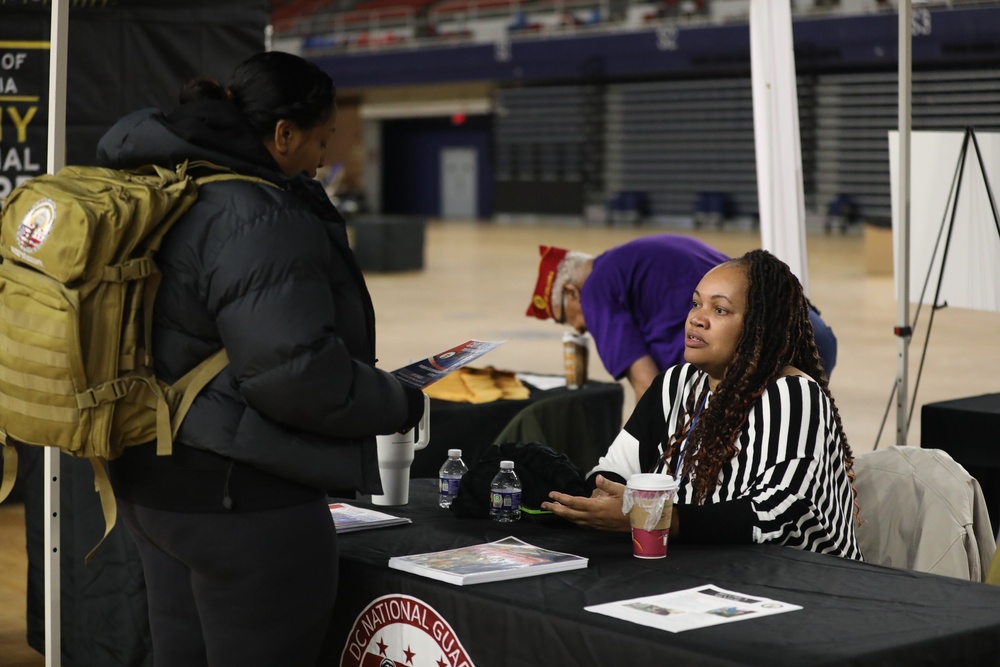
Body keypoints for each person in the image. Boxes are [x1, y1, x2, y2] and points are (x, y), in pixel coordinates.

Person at [99, 52, 426, 667]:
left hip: (153, 484)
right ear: (282, 133)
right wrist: (397, 399)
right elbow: (294, 376)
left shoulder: (170, 182)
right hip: (239, 501)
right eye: (321, 141)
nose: (324, 159)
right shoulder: (258, 213)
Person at [541, 249, 862, 560]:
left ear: (758, 326)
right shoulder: (674, 384)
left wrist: (657, 518)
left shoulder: (792, 395)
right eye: (696, 303)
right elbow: (616, 465)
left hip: (799, 578)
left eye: (719, 310)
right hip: (708, 563)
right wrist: (605, 497)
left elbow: (779, 511)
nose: (696, 318)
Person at [525, 234, 838, 401]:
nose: (579, 328)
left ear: (571, 293)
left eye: (566, 318)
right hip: (812, 331)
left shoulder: (595, 289)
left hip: (762, 348)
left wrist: (640, 466)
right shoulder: (638, 255)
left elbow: (647, 387)